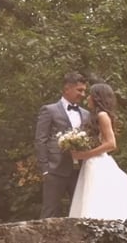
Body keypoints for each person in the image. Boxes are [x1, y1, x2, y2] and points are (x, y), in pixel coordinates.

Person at [68, 83, 127, 224]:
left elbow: (111, 144)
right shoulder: (95, 116)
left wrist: (85, 154)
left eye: (90, 95)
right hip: (91, 162)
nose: (87, 98)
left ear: (96, 98)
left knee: (96, 197)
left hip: (98, 162)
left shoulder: (102, 115)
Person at [36, 71, 90, 218]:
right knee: (50, 211)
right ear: (67, 88)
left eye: (84, 91)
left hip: (79, 170)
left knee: (80, 211)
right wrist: (45, 169)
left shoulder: (86, 114)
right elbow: (41, 140)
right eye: (80, 90)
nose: (83, 94)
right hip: (55, 169)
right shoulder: (49, 110)